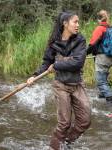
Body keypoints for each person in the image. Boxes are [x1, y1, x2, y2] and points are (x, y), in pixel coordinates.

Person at [27, 11, 91, 150]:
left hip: (77, 84)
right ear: (65, 23)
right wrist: (35, 75)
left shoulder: (80, 40)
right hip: (60, 85)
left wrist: (56, 65)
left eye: (78, 22)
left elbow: (78, 62)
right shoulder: (53, 43)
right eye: (75, 22)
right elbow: (46, 62)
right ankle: (54, 147)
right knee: (64, 123)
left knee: (85, 121)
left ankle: (65, 143)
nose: (78, 25)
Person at [87, 10, 112, 103]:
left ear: (98, 19)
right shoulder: (110, 28)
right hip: (110, 56)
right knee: (104, 78)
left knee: (101, 82)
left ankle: (110, 104)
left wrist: (84, 53)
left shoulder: (100, 28)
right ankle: (102, 99)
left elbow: (92, 44)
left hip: (103, 57)